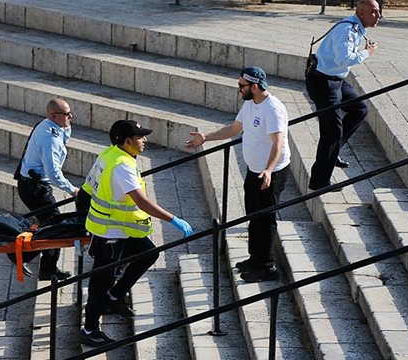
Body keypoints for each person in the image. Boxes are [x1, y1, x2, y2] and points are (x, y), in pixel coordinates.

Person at [80, 120, 194, 346]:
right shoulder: (121, 165)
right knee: (100, 281)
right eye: (140, 137)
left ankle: (114, 297)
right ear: (127, 141)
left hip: (119, 227)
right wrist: (173, 219)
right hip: (110, 231)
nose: (145, 140)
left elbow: (86, 190)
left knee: (148, 253)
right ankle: (90, 329)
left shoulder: (110, 154)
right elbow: (141, 202)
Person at [186, 66, 291, 283]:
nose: (238, 89)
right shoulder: (250, 105)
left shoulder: (272, 109)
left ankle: (267, 266)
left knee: (266, 218)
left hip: (271, 173)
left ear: (254, 86)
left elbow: (277, 143)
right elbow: (234, 129)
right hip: (255, 170)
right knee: (253, 214)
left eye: (241, 85)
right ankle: (255, 258)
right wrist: (205, 137)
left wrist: (269, 170)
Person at [305, 0, 380, 190]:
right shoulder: (348, 30)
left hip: (335, 80)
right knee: (332, 132)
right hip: (323, 82)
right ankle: (319, 182)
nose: (378, 16)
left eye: (379, 12)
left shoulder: (357, 28)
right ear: (361, 12)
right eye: (374, 12)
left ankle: (334, 150)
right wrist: (366, 53)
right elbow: (344, 59)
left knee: (359, 108)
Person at [12, 99, 78, 281]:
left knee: (50, 224)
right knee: (54, 226)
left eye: (71, 113)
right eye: (67, 115)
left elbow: (64, 136)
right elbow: (53, 172)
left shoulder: (50, 125)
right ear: (53, 116)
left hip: (32, 184)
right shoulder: (49, 138)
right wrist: (72, 190)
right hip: (35, 188)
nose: (70, 117)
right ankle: (22, 256)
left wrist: (67, 124)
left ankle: (46, 268)